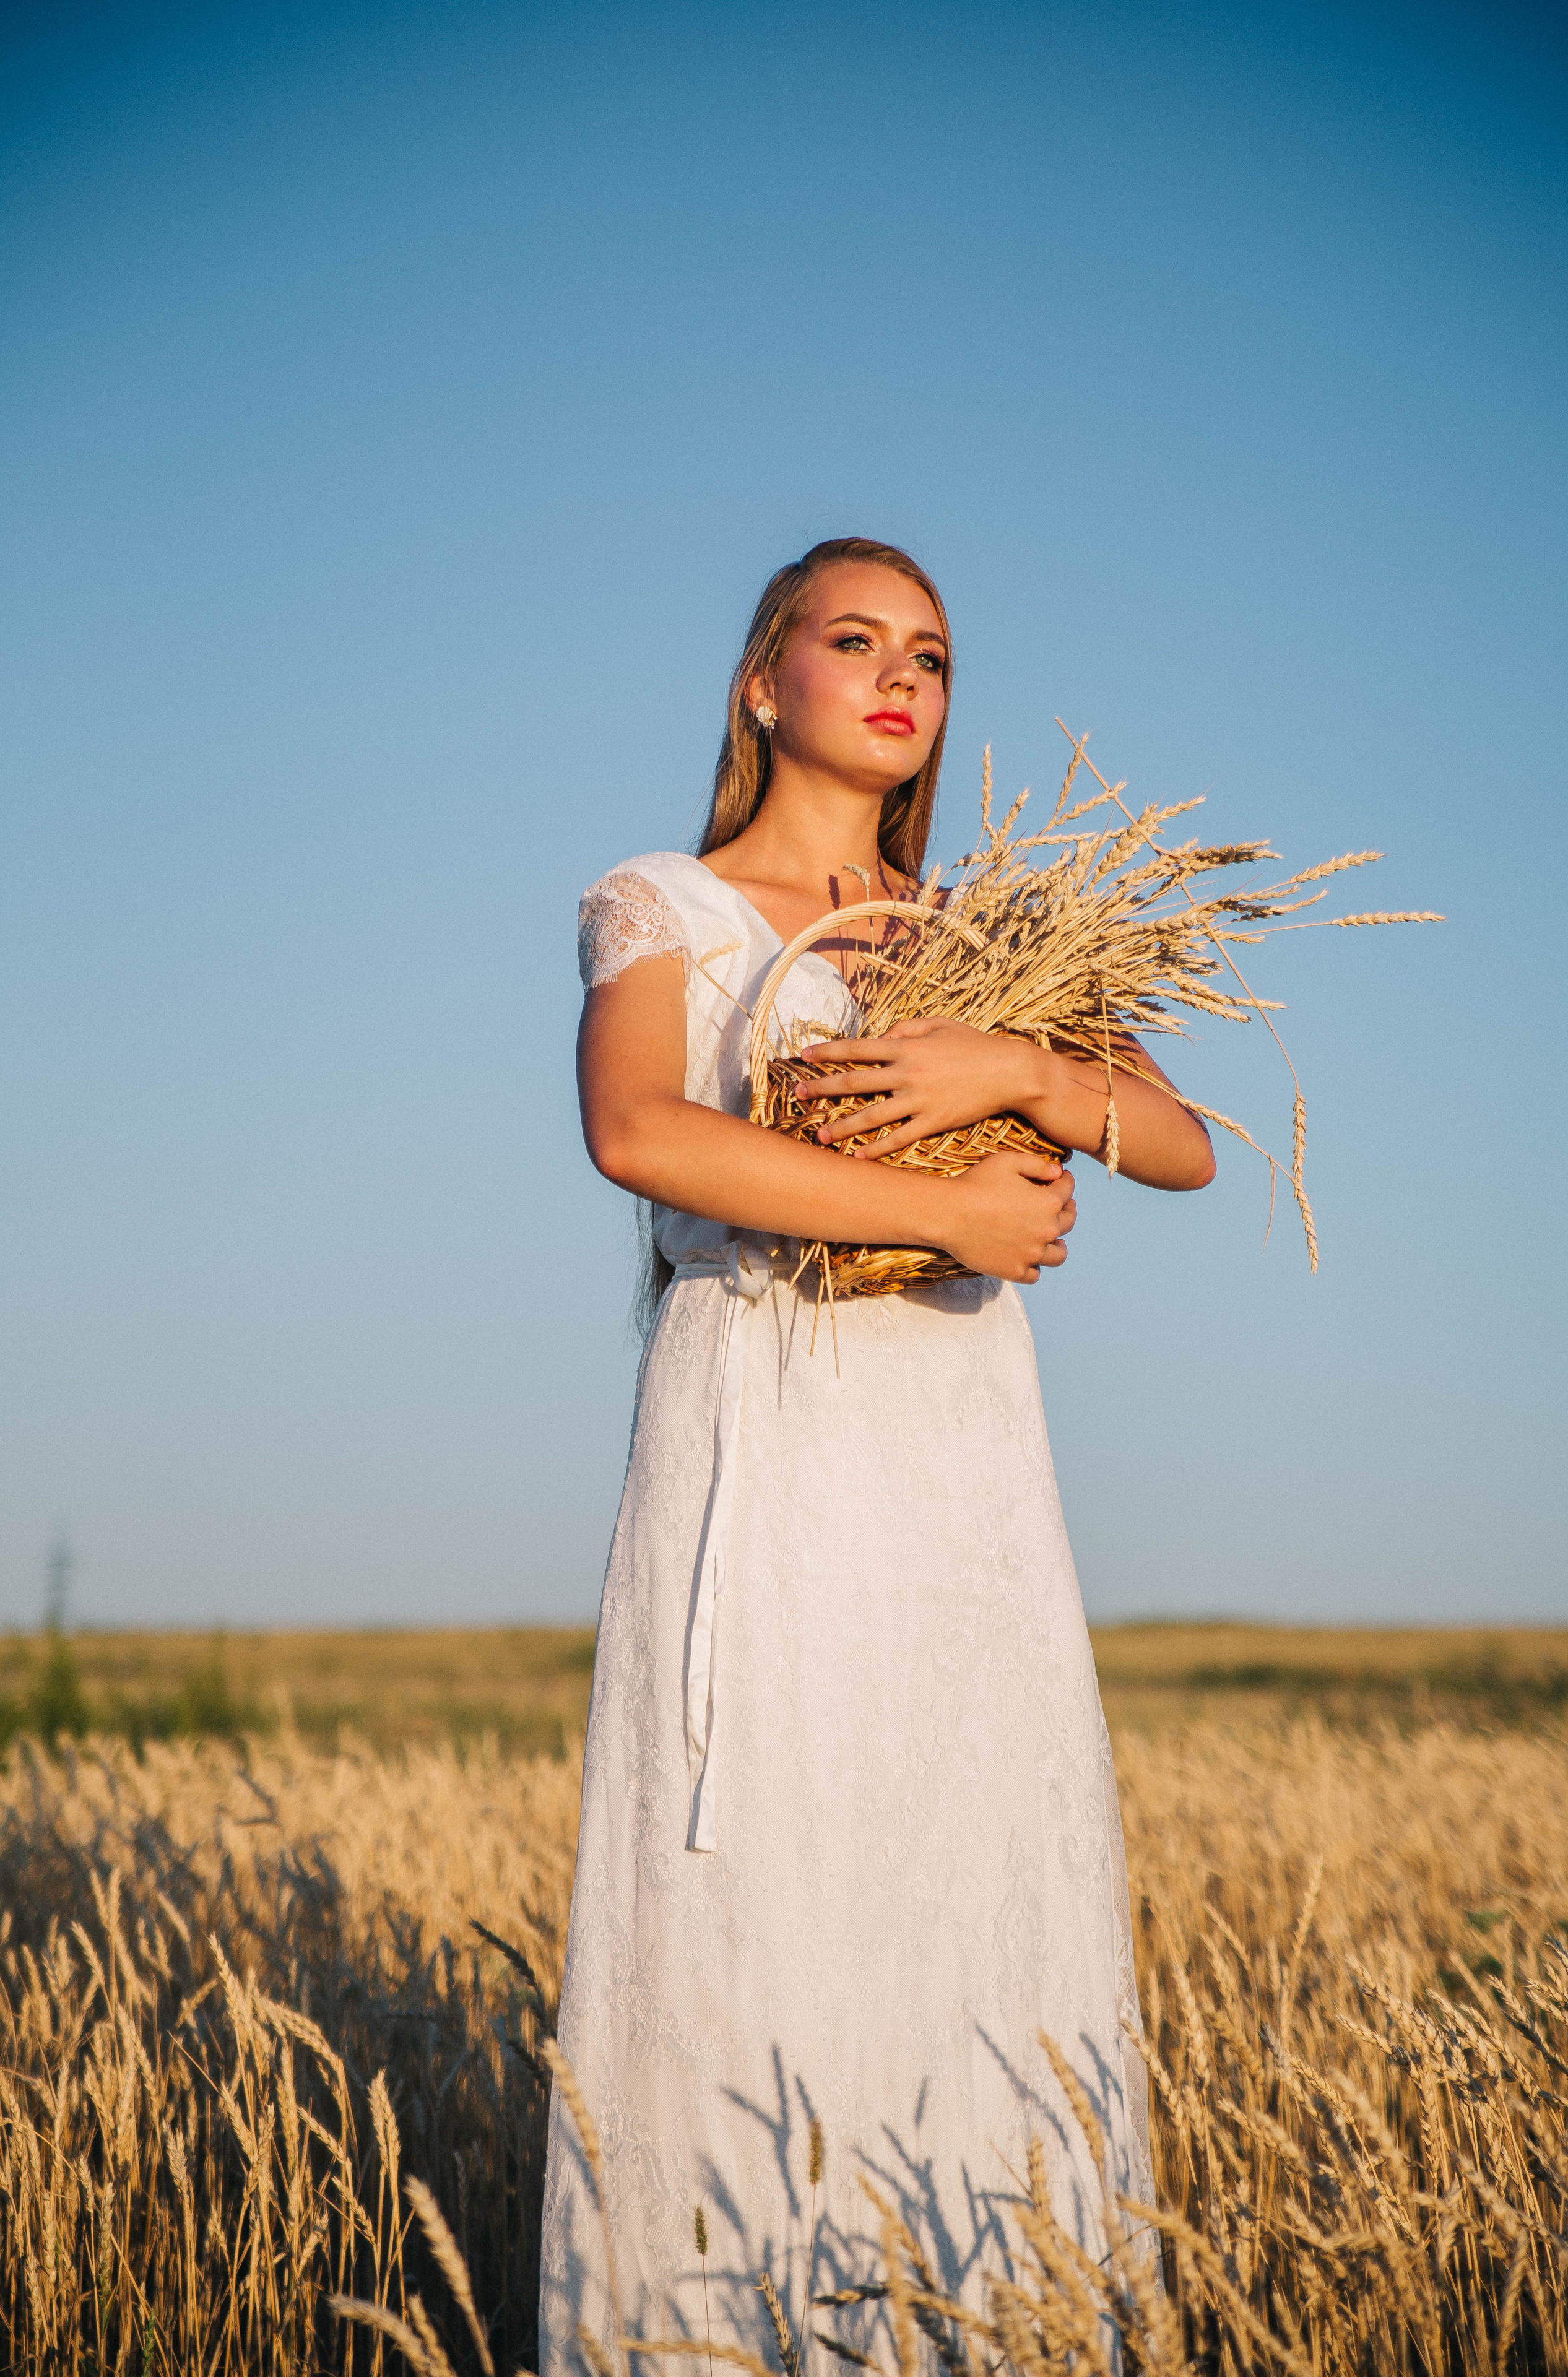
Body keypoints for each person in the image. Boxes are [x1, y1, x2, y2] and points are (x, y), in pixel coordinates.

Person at [540, 537, 1214, 2374]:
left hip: (963, 1458)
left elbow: (1178, 1143)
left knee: (969, 1863)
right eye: (855, 640)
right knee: (758, 1876)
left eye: (930, 650)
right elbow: (638, 1131)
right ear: (764, 685)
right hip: (761, 1421)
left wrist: (1016, 1068)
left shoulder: (989, 935)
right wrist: (945, 1211)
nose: (904, 674)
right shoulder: (663, 902)